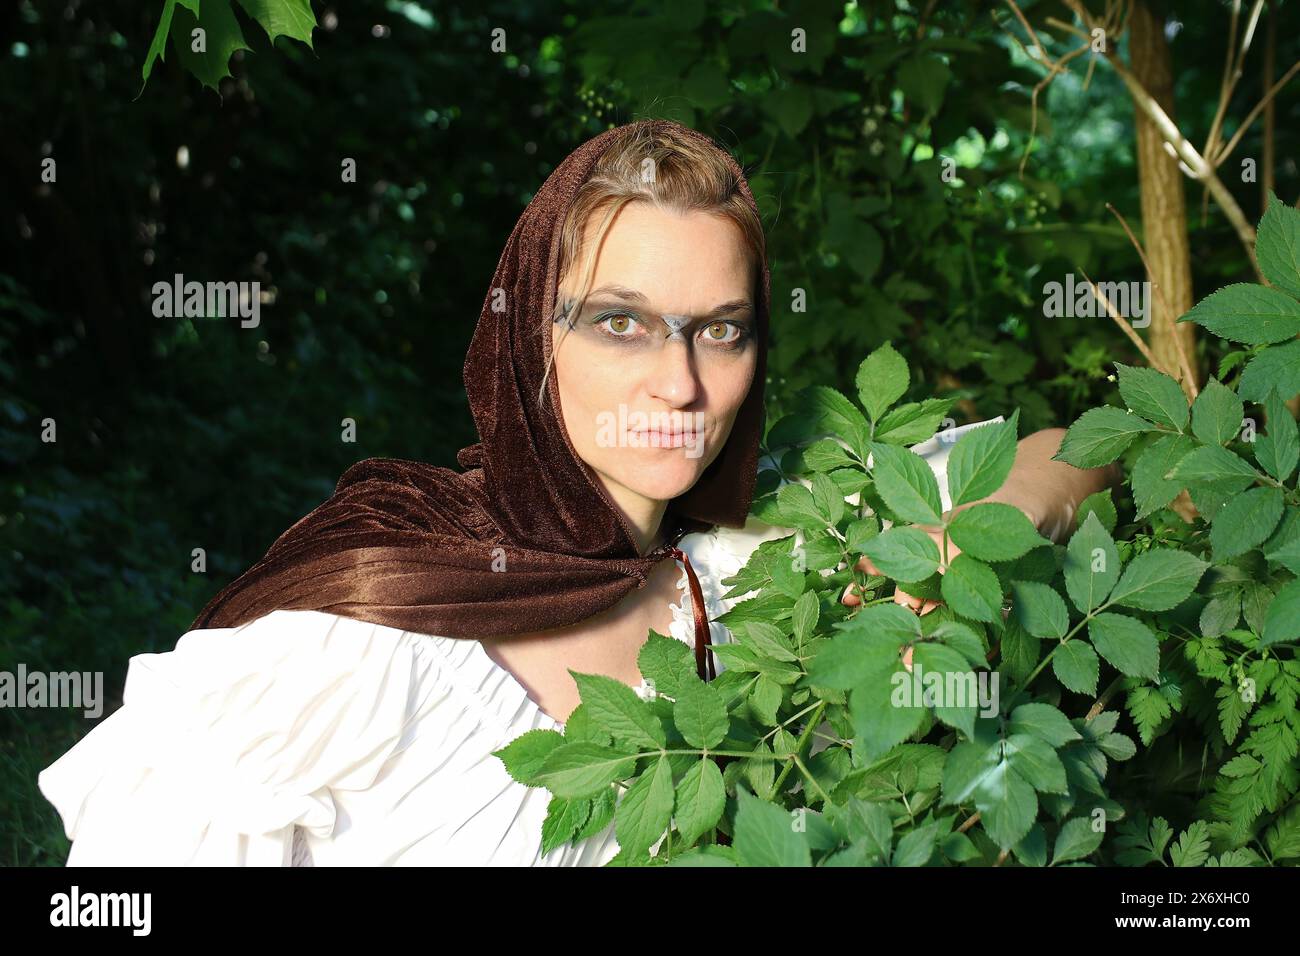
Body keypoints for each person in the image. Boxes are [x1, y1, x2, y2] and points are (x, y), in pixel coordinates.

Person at [36, 119, 1115, 866]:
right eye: (620, 320)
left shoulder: (751, 575)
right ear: (526, 341)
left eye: (720, 329)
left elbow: (1085, 442)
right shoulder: (372, 634)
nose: (681, 381)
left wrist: (978, 531)